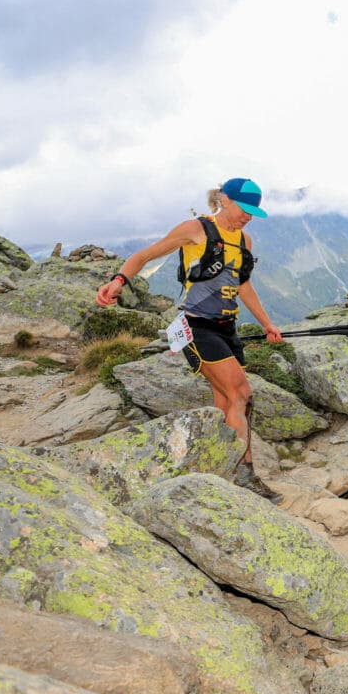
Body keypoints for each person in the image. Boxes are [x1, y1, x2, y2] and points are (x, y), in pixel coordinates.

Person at [95, 177, 282, 499]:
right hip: (196, 326)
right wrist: (119, 280)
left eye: (253, 212)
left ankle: (219, 466)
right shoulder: (196, 230)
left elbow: (243, 285)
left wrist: (267, 324)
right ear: (224, 200)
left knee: (225, 401)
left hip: (228, 327)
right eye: (243, 208)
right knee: (241, 394)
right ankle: (244, 474)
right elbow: (145, 255)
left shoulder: (244, 241)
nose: (248, 216)